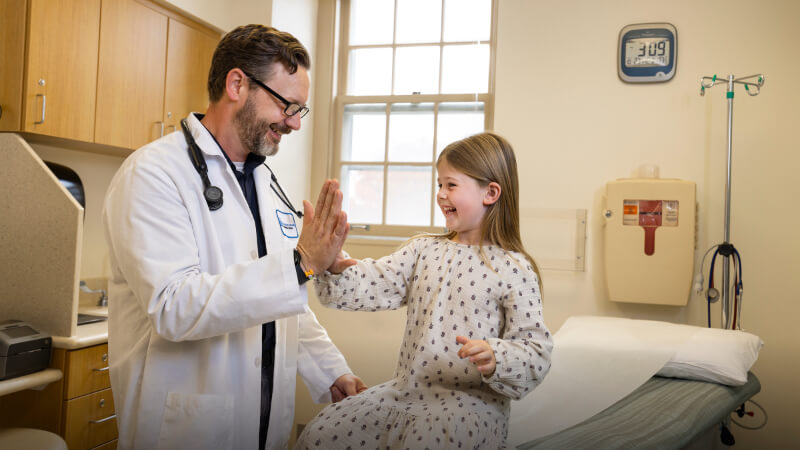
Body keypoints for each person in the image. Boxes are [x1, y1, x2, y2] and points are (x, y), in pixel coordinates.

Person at [102, 24, 365, 450]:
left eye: (302, 110)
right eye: (287, 105)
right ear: (237, 83)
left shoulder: (265, 181)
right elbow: (174, 306)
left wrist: (330, 370)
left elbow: (280, 300)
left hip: (262, 425)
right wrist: (300, 263)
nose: (295, 124)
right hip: (186, 427)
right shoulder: (153, 174)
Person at [294, 132, 553, 449]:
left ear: (491, 193)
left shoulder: (514, 268)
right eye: (439, 185)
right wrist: (335, 265)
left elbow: (534, 348)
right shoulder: (423, 250)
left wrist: (496, 356)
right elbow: (379, 279)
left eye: (451, 185)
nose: (441, 194)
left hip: (468, 408)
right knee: (321, 434)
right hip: (407, 392)